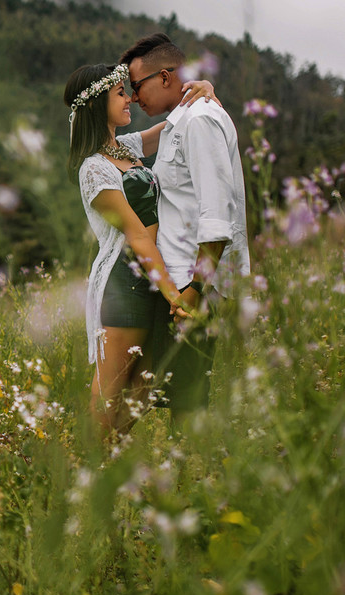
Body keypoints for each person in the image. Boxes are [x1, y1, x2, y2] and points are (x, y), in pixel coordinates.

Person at [63, 62, 217, 439]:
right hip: (123, 282)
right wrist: (176, 297)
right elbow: (136, 235)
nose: (130, 97)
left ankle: (109, 469)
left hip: (154, 276)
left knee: (145, 387)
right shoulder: (93, 169)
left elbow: (177, 128)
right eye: (120, 93)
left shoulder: (126, 146)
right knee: (110, 392)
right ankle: (89, 475)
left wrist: (203, 94)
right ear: (97, 104)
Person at [120, 33, 251, 426]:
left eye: (136, 85)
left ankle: (195, 483)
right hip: (180, 285)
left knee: (190, 410)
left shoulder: (200, 121)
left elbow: (217, 215)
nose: (134, 96)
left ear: (164, 77)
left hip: (198, 288)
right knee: (176, 403)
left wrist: (195, 291)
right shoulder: (180, 123)